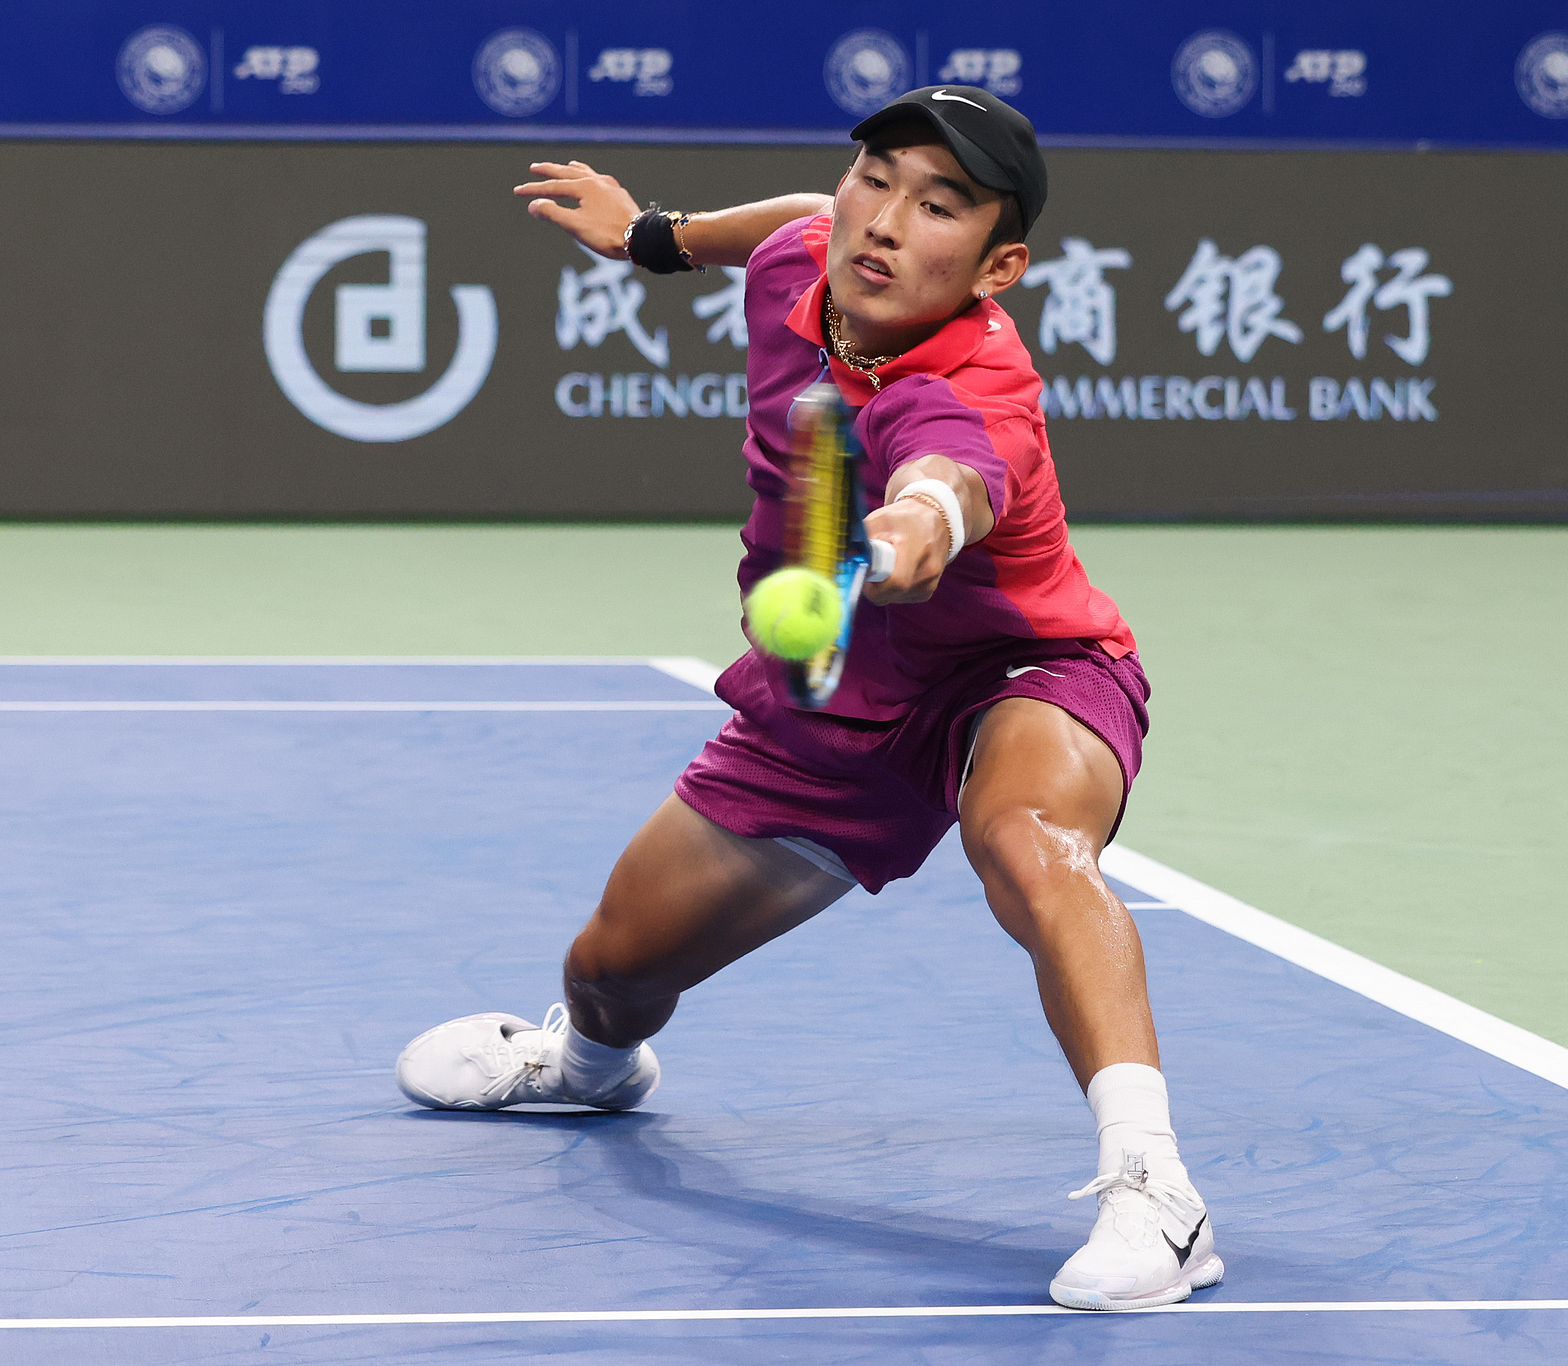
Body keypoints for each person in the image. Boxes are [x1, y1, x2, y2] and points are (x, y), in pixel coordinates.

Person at [394, 87, 1220, 1312]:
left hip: (1020, 672)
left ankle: (1157, 1192)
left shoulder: (974, 389)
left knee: (1028, 840)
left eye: (936, 205)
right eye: (874, 179)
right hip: (833, 715)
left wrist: (876, 555)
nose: (883, 222)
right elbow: (787, 218)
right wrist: (653, 238)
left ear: (998, 267)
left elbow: (940, 497)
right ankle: (588, 1063)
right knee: (611, 972)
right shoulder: (808, 253)